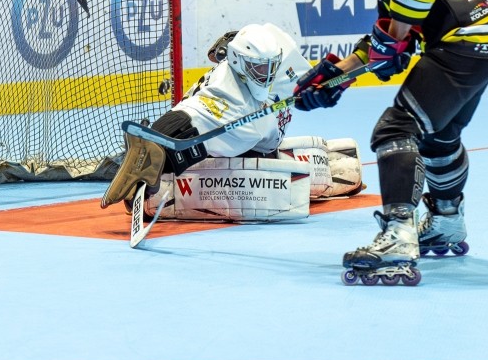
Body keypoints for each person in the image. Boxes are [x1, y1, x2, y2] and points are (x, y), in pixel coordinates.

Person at [295, 0, 488, 285]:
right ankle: (446, 221)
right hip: (485, 41)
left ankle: (397, 236)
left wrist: (393, 39)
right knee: (439, 137)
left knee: (395, 129)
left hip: (459, 43)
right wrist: (337, 77)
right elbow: (393, 36)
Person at [100, 23, 363, 222]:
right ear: (238, 61)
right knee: (278, 179)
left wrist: (333, 82)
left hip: (263, 138)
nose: (267, 75)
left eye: (270, 67)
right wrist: (155, 143)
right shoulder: (230, 96)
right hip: (234, 144)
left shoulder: (280, 49)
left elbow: (312, 77)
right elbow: (190, 116)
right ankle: (158, 180)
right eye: (260, 68)